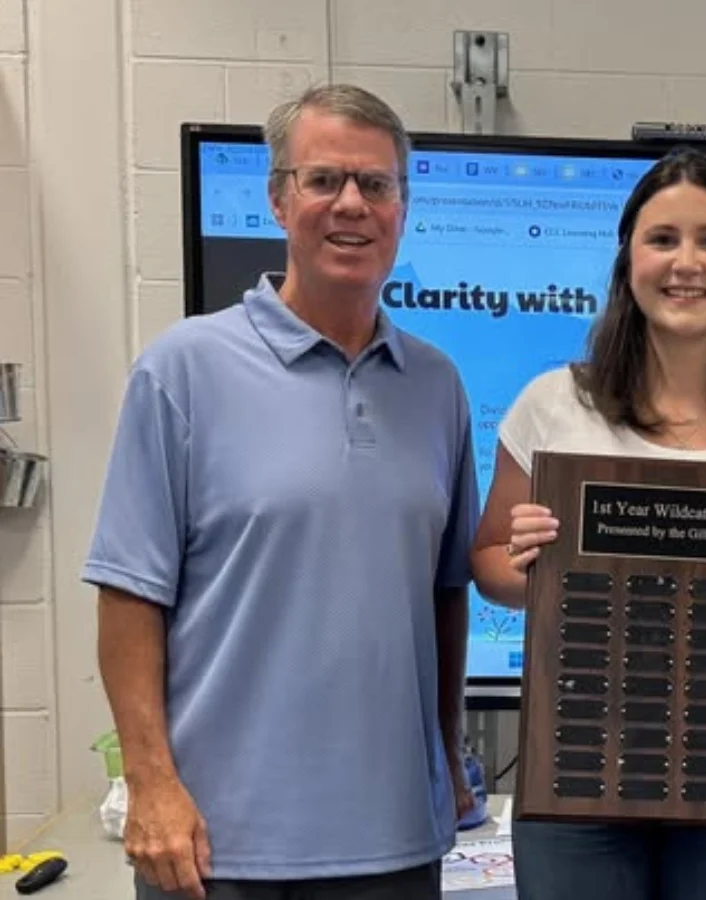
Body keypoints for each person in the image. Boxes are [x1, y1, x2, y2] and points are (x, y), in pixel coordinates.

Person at [83, 84, 478, 900]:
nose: (351, 205)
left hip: (395, 843)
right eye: (323, 179)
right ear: (277, 197)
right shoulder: (183, 369)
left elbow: (443, 597)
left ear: (403, 206)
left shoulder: (437, 386)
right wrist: (152, 786)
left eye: (376, 184)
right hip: (219, 847)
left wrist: (445, 758)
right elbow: (128, 595)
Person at [469, 146, 706, 900]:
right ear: (628, 263)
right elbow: (489, 563)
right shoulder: (553, 405)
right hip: (580, 784)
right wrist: (523, 568)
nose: (688, 263)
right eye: (663, 239)